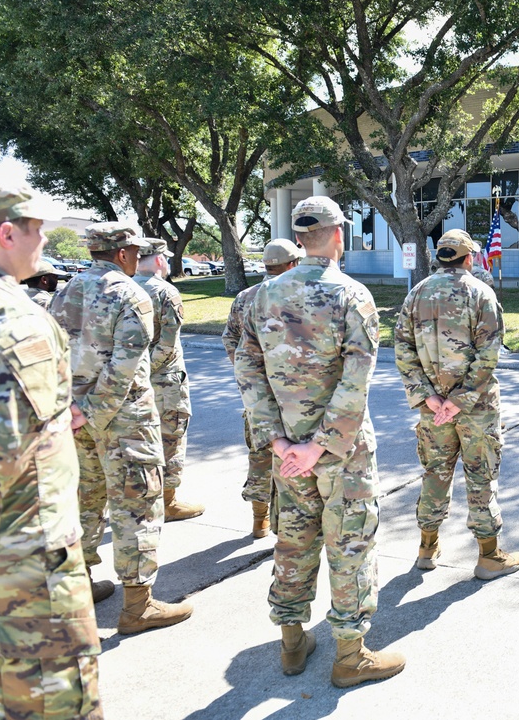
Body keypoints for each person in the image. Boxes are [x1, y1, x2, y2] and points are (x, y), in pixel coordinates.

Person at [234, 196, 404, 687]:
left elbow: (248, 370)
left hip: (288, 449)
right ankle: (350, 656)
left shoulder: (258, 297)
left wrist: (276, 440)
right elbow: (357, 379)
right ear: (336, 234)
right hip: (342, 453)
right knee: (350, 542)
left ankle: (292, 642)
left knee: (294, 539)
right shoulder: (351, 294)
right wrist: (322, 445)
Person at [0, 187, 103, 719]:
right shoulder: (13, 319)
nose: (44, 240)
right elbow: (6, 456)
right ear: (6, 234)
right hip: (19, 567)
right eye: (38, 229)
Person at [50, 222, 192, 634]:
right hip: (123, 420)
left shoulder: (65, 290)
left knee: (84, 499)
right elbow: (126, 364)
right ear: (124, 253)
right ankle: (137, 605)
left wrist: (75, 409)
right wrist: (95, 410)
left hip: (75, 417)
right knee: (137, 504)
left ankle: (81, 585)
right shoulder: (129, 293)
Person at [394, 229, 519, 581]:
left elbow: (402, 349)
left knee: (434, 474)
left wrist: (429, 396)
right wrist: (460, 399)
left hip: (433, 409)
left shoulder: (416, 293)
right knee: (480, 476)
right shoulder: (481, 293)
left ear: (440, 258)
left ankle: (427, 547)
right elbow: (489, 354)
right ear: (469, 258)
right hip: (475, 408)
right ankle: (489, 556)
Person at [222, 237, 304, 538]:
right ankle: (290, 528)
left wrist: (249, 375)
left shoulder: (245, 297)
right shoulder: (297, 294)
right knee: (294, 459)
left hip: (257, 396)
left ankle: (260, 521)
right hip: (295, 395)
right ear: (293, 263)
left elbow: (230, 339)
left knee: (260, 455)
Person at [133, 238, 204, 522]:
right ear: (160, 260)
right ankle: (168, 502)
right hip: (164, 381)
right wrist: (145, 372)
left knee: (136, 438)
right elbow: (167, 344)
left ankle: (138, 496)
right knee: (171, 437)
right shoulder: (165, 291)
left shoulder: (121, 288)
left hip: (127, 380)